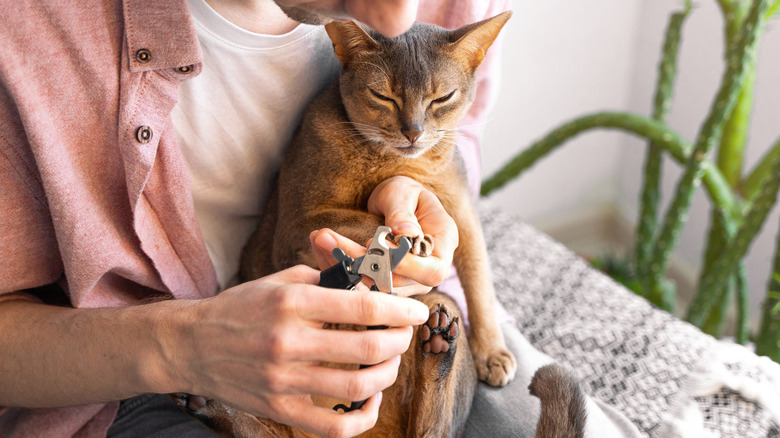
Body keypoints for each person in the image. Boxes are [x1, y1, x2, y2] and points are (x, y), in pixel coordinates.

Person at [0, 0, 643, 437]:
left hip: (395, 337)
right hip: (135, 371)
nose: (397, 16)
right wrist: (183, 346)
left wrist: (406, 185)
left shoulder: (431, 35)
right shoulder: (32, 28)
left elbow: (455, 140)